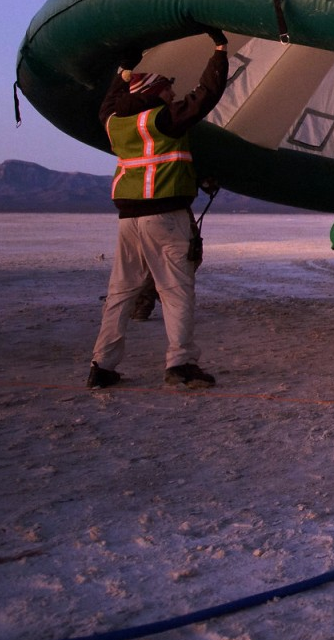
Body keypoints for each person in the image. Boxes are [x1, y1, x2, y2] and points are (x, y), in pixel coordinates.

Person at [88, 27, 229, 390]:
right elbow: (207, 95)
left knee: (121, 292)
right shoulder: (162, 119)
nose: (172, 92)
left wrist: (123, 70)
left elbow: (108, 103)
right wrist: (218, 49)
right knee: (176, 291)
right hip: (165, 219)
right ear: (152, 93)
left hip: (128, 221)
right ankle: (180, 364)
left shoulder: (114, 124)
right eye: (167, 87)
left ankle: (102, 366)